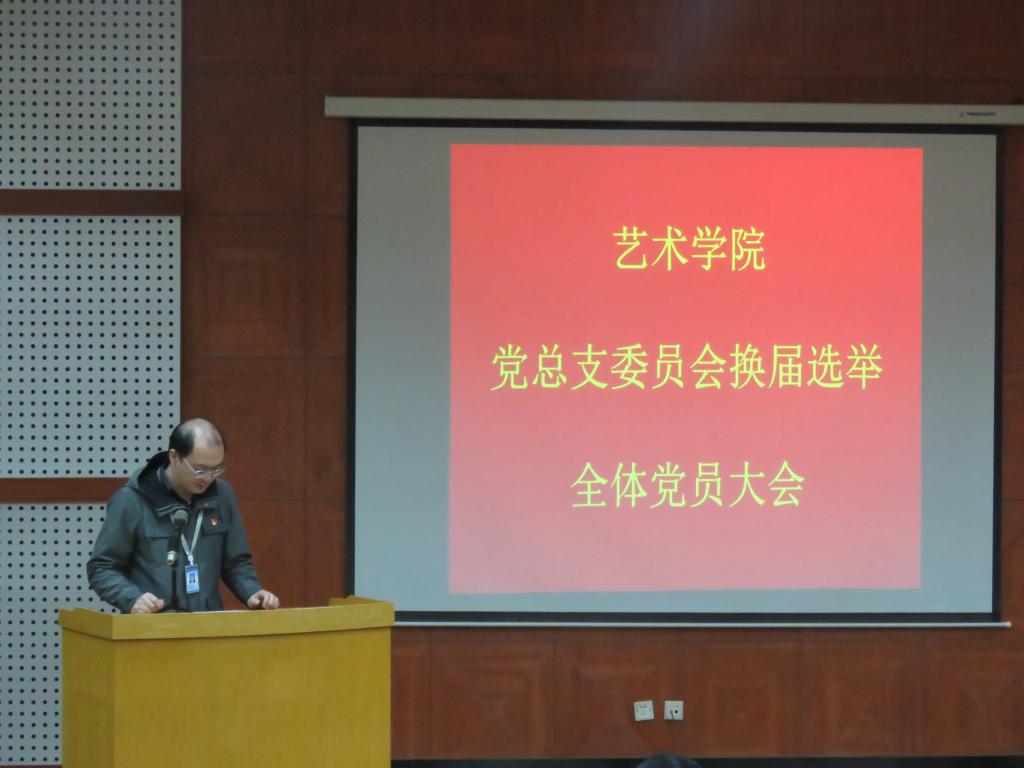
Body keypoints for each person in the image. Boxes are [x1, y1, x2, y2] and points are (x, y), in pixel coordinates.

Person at [87, 418, 279, 614]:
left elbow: (236, 563)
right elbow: (102, 568)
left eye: (216, 469)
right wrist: (131, 598)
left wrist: (252, 592)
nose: (208, 478)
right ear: (174, 457)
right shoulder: (131, 501)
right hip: (151, 624)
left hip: (206, 624)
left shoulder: (222, 496)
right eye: (199, 469)